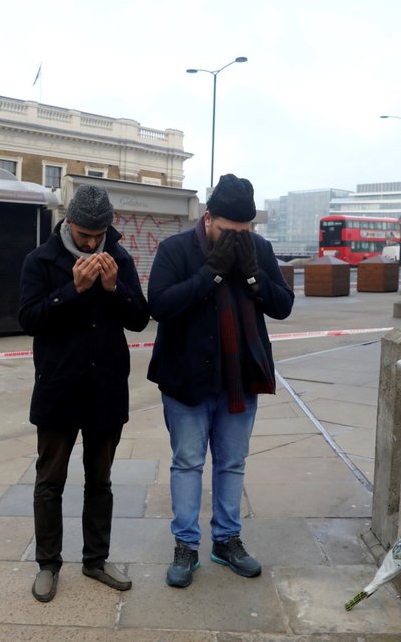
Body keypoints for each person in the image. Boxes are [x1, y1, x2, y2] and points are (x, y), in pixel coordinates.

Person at [147, 174, 294, 588]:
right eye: (228, 232)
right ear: (208, 218)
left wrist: (253, 278)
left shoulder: (259, 250)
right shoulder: (175, 249)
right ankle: (186, 545)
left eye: (243, 232)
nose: (236, 240)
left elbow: (282, 306)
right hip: (186, 379)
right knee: (188, 462)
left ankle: (227, 540)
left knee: (232, 463)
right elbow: (159, 305)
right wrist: (211, 274)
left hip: (240, 377)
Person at [18, 185, 150, 602]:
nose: (93, 243)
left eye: (100, 233)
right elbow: (28, 319)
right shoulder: (40, 260)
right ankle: (48, 564)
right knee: (49, 481)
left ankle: (95, 560)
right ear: (68, 223)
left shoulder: (121, 259)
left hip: (106, 389)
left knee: (101, 482)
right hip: (58, 388)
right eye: (85, 234)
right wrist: (70, 291)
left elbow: (139, 319)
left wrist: (115, 290)